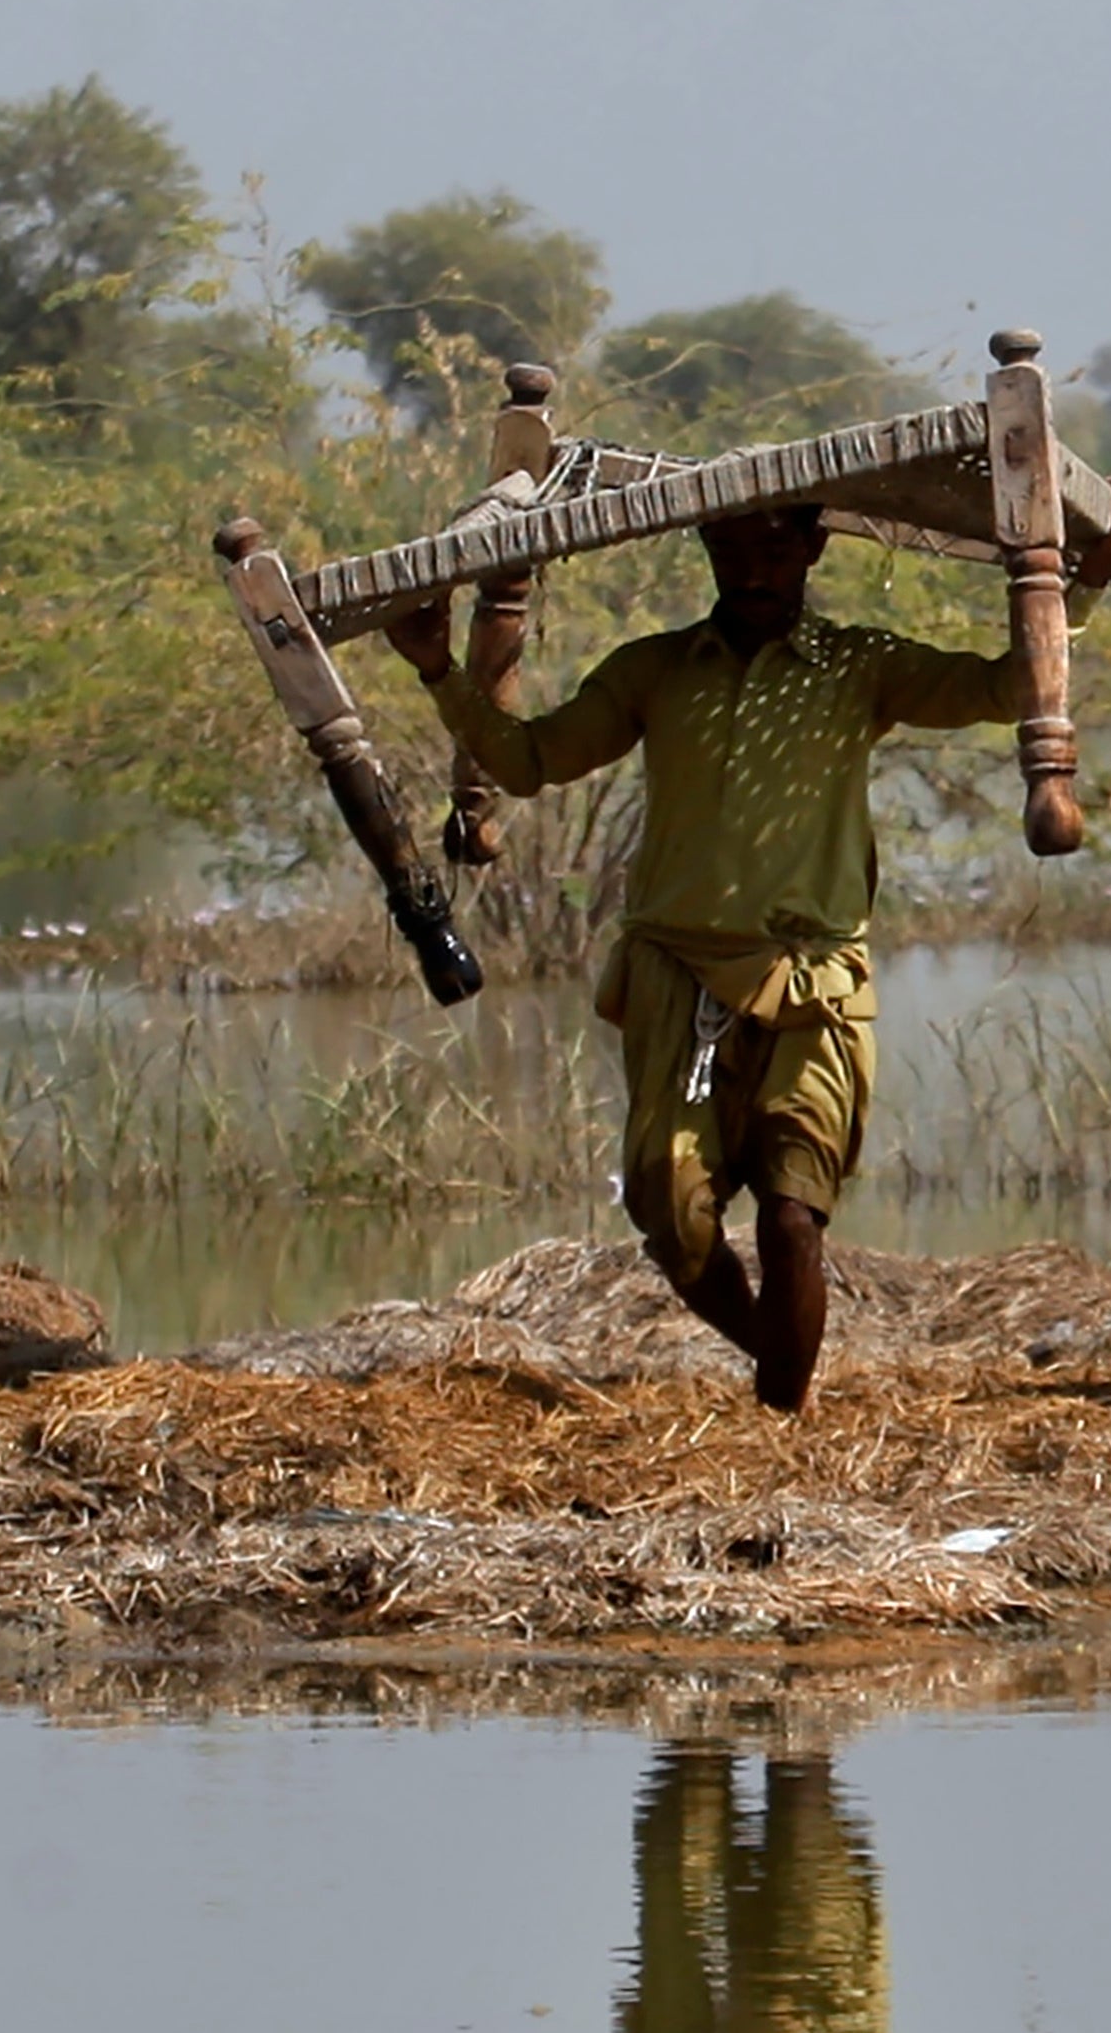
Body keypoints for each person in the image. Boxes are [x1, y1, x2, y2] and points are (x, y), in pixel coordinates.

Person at [380, 505, 1023, 1403]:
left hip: (813, 980)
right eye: (731, 550)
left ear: (811, 548)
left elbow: (1010, 688)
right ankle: (781, 1371)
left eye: (773, 550)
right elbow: (528, 762)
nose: (753, 572)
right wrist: (438, 669)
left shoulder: (859, 667)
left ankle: (781, 1420)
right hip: (676, 977)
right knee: (673, 1216)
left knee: (794, 1218)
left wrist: (1074, 586)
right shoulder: (656, 670)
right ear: (707, 551)